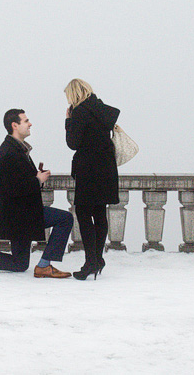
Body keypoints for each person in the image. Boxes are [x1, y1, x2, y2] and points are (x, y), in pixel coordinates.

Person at [0, 109, 73, 279]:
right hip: (20, 215)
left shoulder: (15, 149)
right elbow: (14, 188)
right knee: (65, 219)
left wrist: (35, 176)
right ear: (15, 125)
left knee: (19, 264)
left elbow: (17, 180)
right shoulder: (9, 152)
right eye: (26, 121)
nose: (30, 124)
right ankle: (44, 266)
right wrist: (38, 180)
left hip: (20, 214)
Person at [64, 79, 120, 280]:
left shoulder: (79, 112)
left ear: (74, 94)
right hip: (106, 167)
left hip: (89, 169)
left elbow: (73, 143)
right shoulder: (101, 109)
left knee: (83, 211)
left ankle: (91, 262)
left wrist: (68, 121)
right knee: (99, 212)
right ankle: (97, 259)